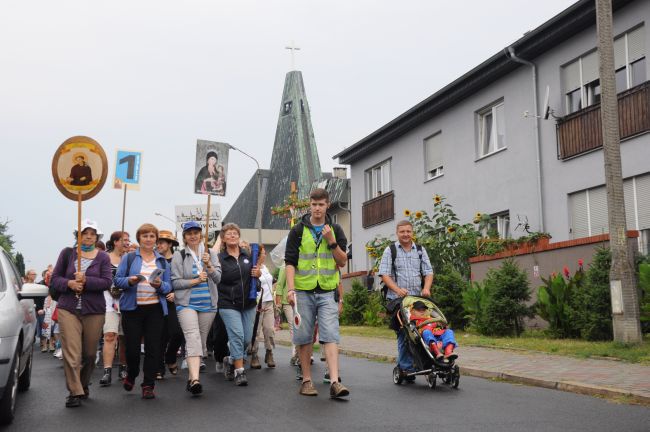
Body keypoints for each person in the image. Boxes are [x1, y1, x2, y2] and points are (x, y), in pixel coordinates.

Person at [285, 188, 349, 398]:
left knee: (330, 335)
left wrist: (331, 241)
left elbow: (341, 261)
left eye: (321, 204)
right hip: (303, 291)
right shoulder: (298, 230)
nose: (317, 208)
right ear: (309, 205)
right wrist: (291, 289)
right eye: (314, 204)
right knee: (304, 338)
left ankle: (334, 381)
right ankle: (306, 380)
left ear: (327, 205)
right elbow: (290, 263)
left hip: (328, 290)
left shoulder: (336, 229)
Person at [50, 219, 112, 408]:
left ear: (97, 237)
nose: (88, 236)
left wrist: (86, 280)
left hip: (93, 311)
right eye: (84, 232)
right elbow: (55, 280)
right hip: (68, 308)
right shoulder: (67, 253)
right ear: (78, 235)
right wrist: (69, 283)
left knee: (90, 354)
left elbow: (106, 282)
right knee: (72, 353)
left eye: (92, 233)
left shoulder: (103, 257)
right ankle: (74, 392)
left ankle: (83, 384)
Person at [114, 224, 172, 400]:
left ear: (156, 240)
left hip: (155, 309)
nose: (148, 239)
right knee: (132, 349)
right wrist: (130, 281)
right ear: (139, 238)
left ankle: (148, 384)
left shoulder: (161, 260)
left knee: (153, 348)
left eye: (152, 236)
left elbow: (169, 285)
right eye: (145, 236)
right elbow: (117, 280)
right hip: (132, 309)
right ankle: (131, 373)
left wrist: (160, 285)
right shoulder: (129, 258)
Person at [378, 220, 434, 379]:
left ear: (412, 232)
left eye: (408, 231)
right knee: (404, 332)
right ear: (397, 233)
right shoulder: (391, 250)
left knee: (423, 329)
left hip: (417, 299)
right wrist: (397, 290)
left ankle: (425, 362)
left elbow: (428, 272)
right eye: (402, 232)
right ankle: (406, 367)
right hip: (397, 300)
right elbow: (384, 275)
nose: (405, 234)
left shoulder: (420, 250)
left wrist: (427, 288)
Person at [171, 222, 221, 395]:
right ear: (184, 237)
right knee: (192, 338)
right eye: (189, 233)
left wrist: (209, 265)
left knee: (200, 341)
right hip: (186, 304)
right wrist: (195, 280)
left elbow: (217, 279)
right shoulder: (179, 255)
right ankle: (195, 380)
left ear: (201, 235)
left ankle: (192, 375)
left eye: (196, 232)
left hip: (208, 305)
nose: (193, 236)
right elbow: (175, 282)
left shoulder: (211, 254)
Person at [217, 223, 260, 386]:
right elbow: (215, 277)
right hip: (228, 303)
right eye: (228, 233)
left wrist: (258, 273)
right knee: (237, 335)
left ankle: (230, 359)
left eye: (235, 233)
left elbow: (254, 276)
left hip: (248, 303)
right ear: (223, 238)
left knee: (247, 338)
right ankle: (239, 371)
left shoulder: (248, 255)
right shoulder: (220, 259)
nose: (232, 235)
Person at [99, 231, 130, 387]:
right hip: (108, 302)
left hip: (127, 302)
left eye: (128, 240)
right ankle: (107, 371)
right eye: (124, 240)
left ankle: (123, 367)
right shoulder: (104, 257)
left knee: (124, 337)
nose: (127, 243)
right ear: (116, 242)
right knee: (110, 335)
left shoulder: (130, 259)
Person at [156, 230, 185, 379]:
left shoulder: (178, 259)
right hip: (157, 302)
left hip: (175, 302)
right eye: (157, 242)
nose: (158, 245)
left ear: (170, 244)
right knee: (160, 335)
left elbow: (183, 279)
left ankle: (171, 357)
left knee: (177, 333)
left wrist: (175, 293)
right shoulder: (154, 259)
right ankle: (159, 367)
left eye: (161, 242)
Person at [250, 246, 276, 369]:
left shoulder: (265, 268)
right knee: (256, 331)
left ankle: (269, 352)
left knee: (269, 330)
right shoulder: (252, 268)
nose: (265, 255)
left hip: (269, 302)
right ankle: (254, 354)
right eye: (263, 253)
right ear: (257, 255)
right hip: (258, 303)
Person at [274, 265, 297, 365]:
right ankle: (295, 355)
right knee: (293, 327)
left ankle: (304, 354)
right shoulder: (285, 266)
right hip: (288, 302)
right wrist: (278, 303)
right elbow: (279, 284)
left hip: (301, 300)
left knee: (301, 327)